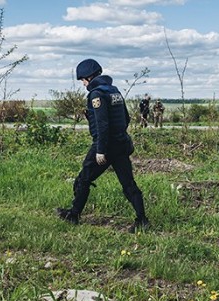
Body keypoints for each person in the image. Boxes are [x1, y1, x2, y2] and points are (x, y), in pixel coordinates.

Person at [57, 58, 150, 233]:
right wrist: (119, 135)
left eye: (83, 80)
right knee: (128, 184)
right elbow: (126, 118)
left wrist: (101, 150)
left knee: (83, 179)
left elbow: (102, 124)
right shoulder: (114, 91)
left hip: (105, 145)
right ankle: (142, 220)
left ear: (89, 77)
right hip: (121, 143)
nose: (83, 84)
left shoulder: (96, 94)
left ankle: (74, 214)